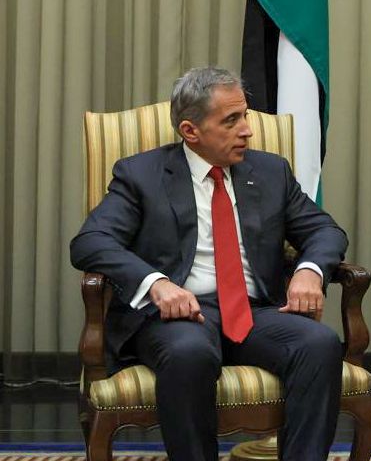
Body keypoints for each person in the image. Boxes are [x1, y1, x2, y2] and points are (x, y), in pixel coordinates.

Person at [70, 67, 347, 461]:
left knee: (319, 343)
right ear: (190, 130)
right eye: (231, 120)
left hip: (255, 312)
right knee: (189, 353)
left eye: (245, 115)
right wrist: (156, 284)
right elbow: (90, 241)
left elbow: (324, 230)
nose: (247, 130)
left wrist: (309, 271)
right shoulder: (141, 174)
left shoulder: (270, 172)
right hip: (178, 317)